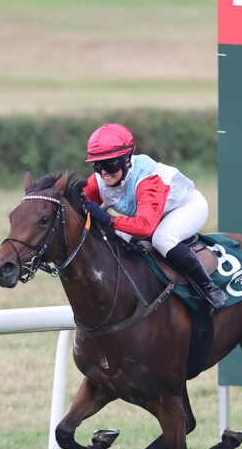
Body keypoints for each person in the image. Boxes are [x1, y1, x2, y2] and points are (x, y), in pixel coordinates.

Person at [82, 123, 226, 310]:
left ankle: (209, 288)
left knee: (162, 239)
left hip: (186, 207)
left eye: (109, 164)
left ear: (127, 160)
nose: (103, 172)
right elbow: (79, 202)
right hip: (148, 215)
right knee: (114, 241)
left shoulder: (148, 180)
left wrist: (107, 219)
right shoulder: (99, 180)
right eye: (97, 164)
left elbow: (145, 227)